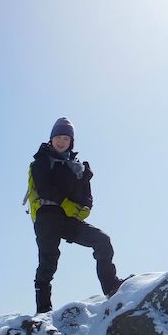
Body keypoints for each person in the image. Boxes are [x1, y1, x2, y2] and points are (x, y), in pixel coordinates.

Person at [27, 117, 124, 313]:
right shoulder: (40, 162)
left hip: (68, 219)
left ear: (71, 141)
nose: (61, 141)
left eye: (66, 138)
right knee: (48, 260)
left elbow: (87, 196)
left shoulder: (79, 167)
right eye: (58, 137)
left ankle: (111, 285)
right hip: (47, 217)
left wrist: (85, 208)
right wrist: (67, 205)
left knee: (102, 241)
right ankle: (43, 311)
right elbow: (44, 188)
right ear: (51, 139)